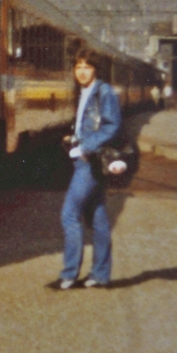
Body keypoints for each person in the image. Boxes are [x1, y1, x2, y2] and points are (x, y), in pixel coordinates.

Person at [58, 49, 123, 289]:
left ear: (96, 69)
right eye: (78, 67)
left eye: (87, 67)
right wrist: (74, 138)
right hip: (86, 157)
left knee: (69, 215)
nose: (82, 72)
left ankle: (69, 275)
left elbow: (112, 126)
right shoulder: (85, 91)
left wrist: (85, 146)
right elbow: (89, 124)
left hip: (90, 161)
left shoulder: (103, 91)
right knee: (98, 217)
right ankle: (100, 275)